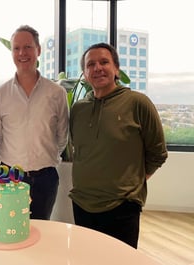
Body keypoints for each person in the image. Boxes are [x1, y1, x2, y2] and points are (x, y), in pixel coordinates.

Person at [69, 42, 168, 248]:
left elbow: (158, 153)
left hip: (121, 207)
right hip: (82, 203)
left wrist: (131, 183)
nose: (97, 68)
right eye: (90, 64)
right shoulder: (78, 110)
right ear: (85, 73)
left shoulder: (138, 103)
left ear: (116, 69)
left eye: (104, 62)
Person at [0, 25, 69, 220]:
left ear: (38, 50)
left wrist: (44, 157)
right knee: (10, 231)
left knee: (41, 231)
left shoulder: (56, 93)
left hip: (46, 178)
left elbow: (62, 136)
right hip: (10, 177)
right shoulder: (0, 94)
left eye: (28, 47)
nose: (22, 53)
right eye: (16, 48)